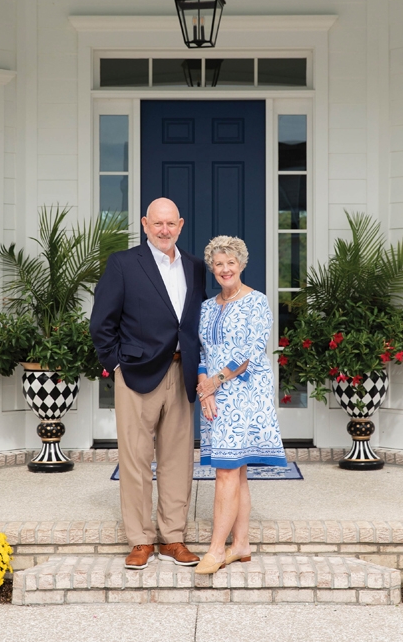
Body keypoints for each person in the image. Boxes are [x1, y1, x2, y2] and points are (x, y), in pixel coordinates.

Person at [90, 198, 206, 570]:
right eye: (157, 223)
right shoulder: (124, 264)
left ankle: (173, 537)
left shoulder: (195, 267)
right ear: (144, 224)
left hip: (180, 371)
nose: (164, 230)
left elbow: (193, 322)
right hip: (137, 374)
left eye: (171, 223)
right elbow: (101, 323)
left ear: (181, 224)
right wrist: (117, 365)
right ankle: (140, 539)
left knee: (177, 459)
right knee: (136, 460)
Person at [194, 235, 286, 575]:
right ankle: (241, 544)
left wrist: (213, 385)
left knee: (226, 471)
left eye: (231, 262)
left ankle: (217, 550)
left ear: (242, 265)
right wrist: (206, 388)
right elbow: (202, 351)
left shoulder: (257, 302)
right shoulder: (206, 306)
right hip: (215, 393)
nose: (224, 269)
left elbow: (249, 353)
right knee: (237, 472)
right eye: (218, 264)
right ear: (212, 268)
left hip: (244, 393)